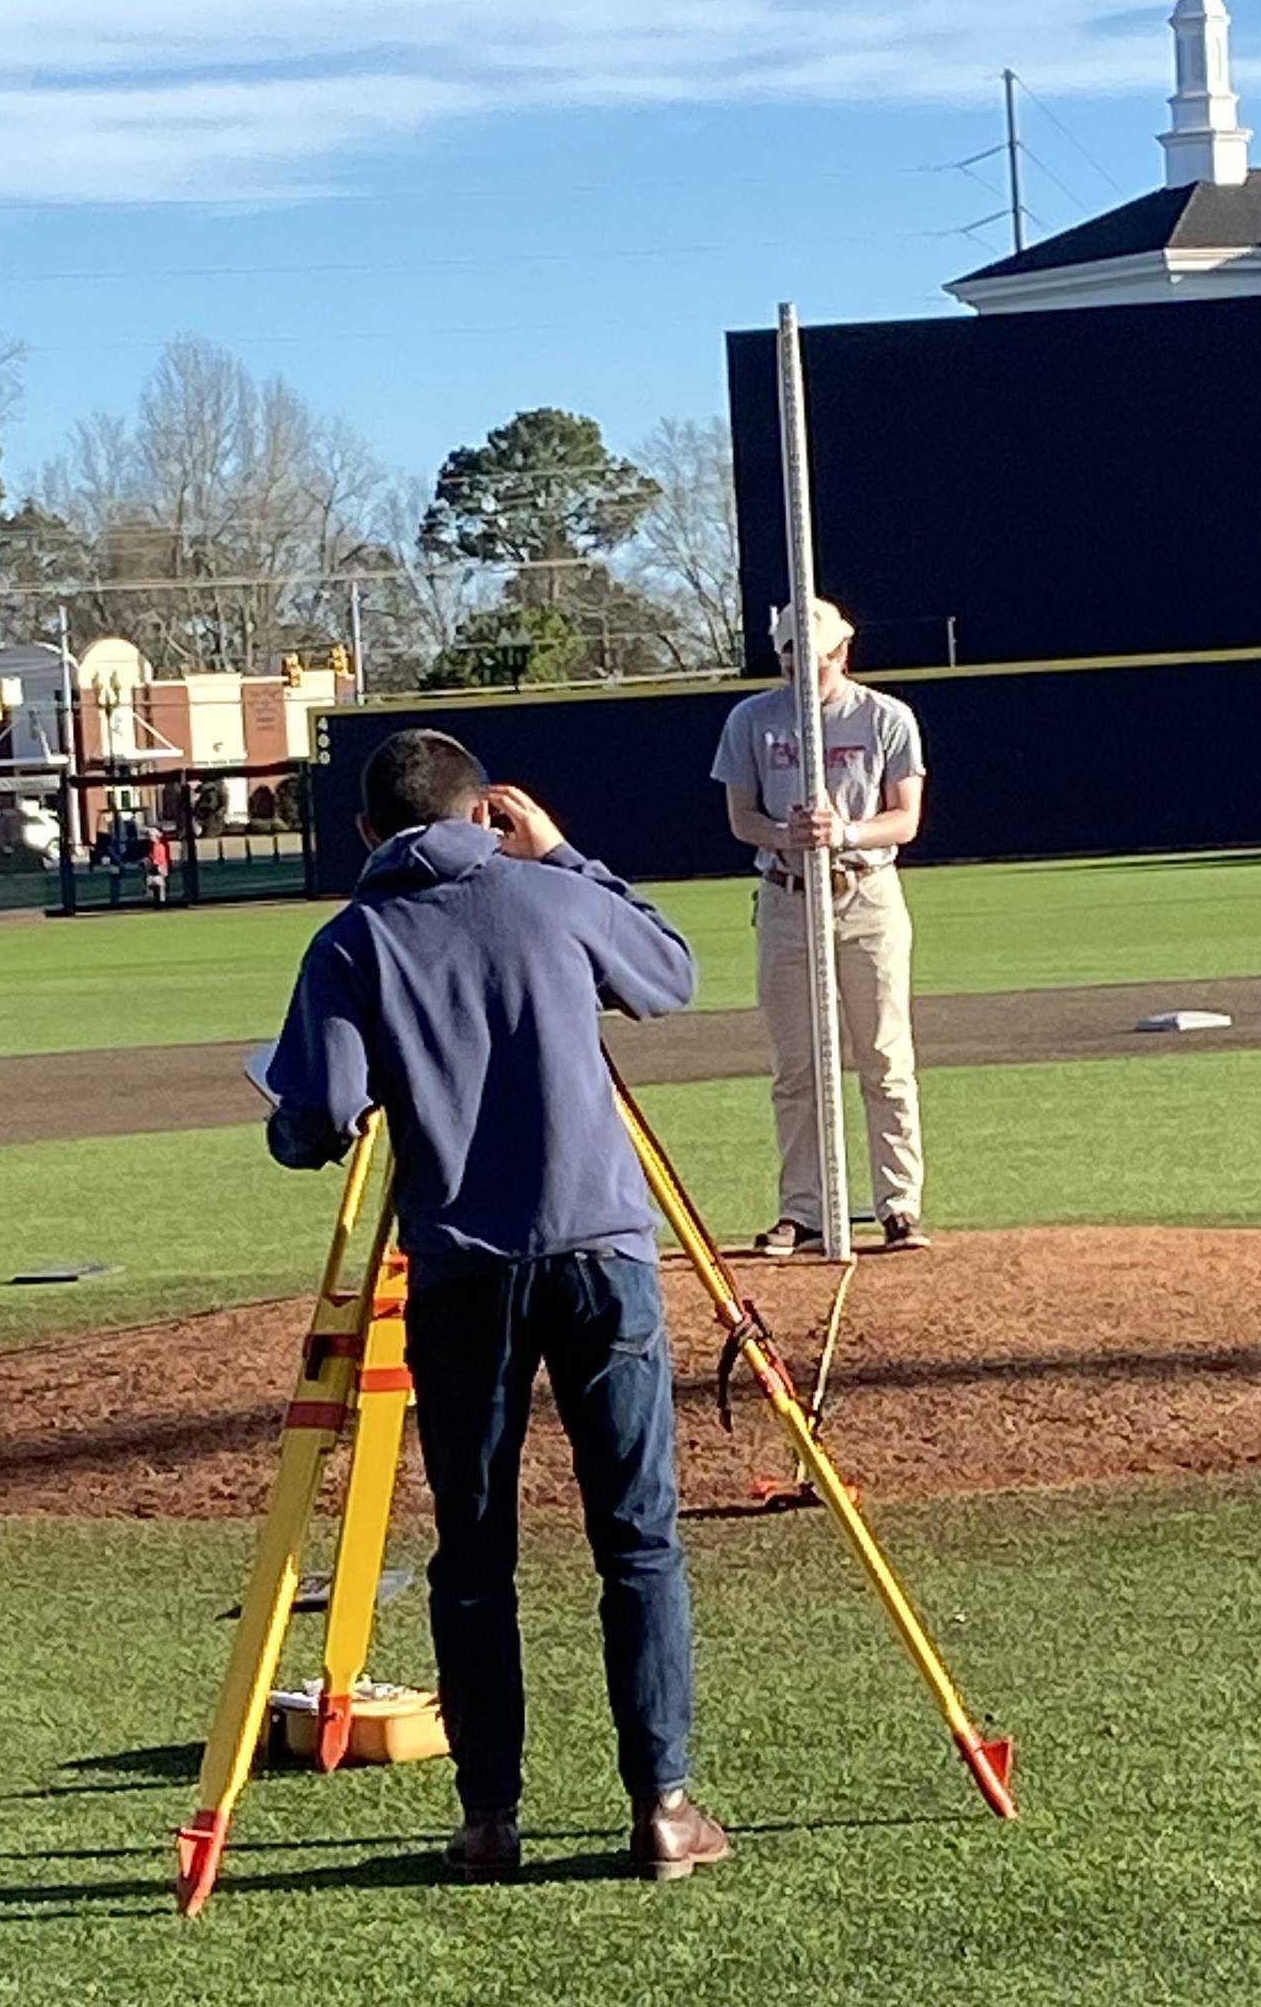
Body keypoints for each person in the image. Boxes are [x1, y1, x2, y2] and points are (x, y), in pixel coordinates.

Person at [262, 727, 729, 1886]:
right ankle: (663, 1807)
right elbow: (669, 974)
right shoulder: (553, 898)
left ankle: (488, 1818)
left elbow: (314, 1119)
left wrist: (303, 1114)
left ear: (368, 833)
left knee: (475, 1553)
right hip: (600, 1257)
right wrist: (566, 855)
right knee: (639, 1537)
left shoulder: (351, 941)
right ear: (485, 815)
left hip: (463, 1272)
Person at [710, 596, 931, 1257]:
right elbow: (740, 817)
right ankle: (801, 1209)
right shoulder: (751, 720)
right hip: (785, 897)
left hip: (865, 893)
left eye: (813, 657)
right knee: (796, 1065)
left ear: (842, 652)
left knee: (884, 1057)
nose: (800, 670)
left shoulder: (886, 718)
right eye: (787, 657)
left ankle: (899, 1205)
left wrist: (847, 832)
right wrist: (787, 835)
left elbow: (906, 818)